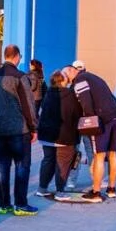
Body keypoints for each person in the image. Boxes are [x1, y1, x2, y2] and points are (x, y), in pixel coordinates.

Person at [0, 44, 39, 216]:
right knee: (22, 165)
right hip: (18, 129)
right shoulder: (20, 77)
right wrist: (33, 128)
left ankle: (3, 204)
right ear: (16, 56)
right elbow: (28, 105)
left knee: (1, 165)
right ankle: (21, 204)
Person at [66, 60, 116, 202]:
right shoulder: (93, 77)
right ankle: (111, 189)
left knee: (98, 155)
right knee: (112, 154)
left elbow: (86, 103)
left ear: (71, 72)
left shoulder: (79, 81)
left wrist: (89, 122)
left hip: (102, 120)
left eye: (66, 77)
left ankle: (96, 192)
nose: (67, 81)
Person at [36, 70, 83, 200]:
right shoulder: (70, 95)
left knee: (48, 160)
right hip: (64, 135)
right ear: (63, 81)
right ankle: (60, 191)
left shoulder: (48, 94)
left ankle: (42, 188)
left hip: (46, 134)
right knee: (63, 162)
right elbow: (77, 113)